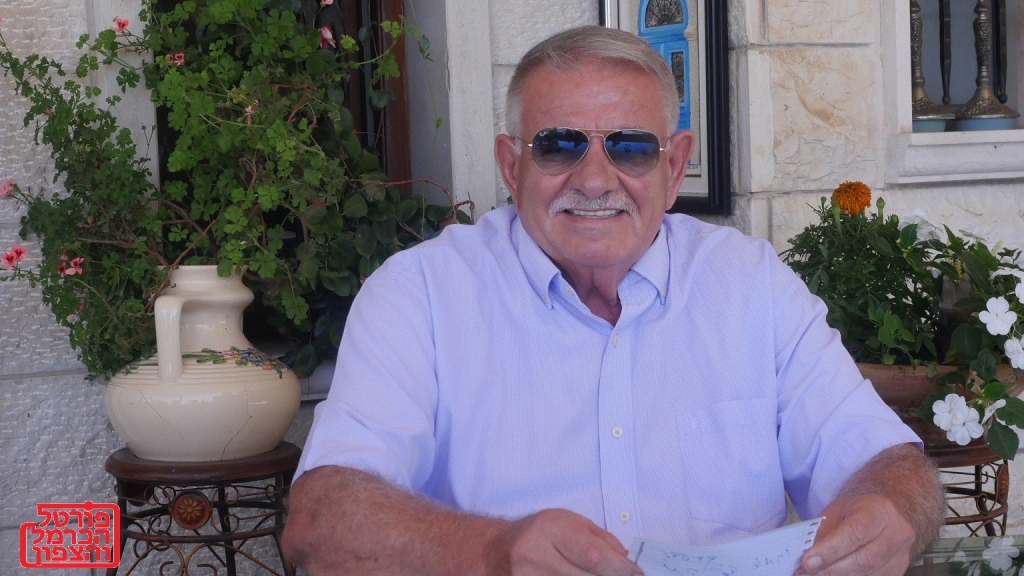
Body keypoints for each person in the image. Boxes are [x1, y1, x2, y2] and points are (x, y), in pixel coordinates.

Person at [281, 25, 944, 576]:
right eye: (558, 145)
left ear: (674, 167)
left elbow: (885, 462)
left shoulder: (751, 285)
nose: (596, 179)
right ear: (511, 166)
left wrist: (890, 513)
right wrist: (489, 552)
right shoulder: (420, 296)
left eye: (630, 148)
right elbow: (321, 519)